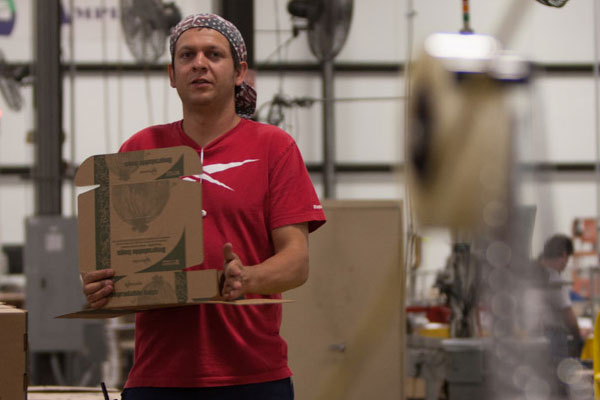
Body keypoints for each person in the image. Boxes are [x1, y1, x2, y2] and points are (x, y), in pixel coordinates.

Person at [81, 13, 326, 400]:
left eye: (214, 54)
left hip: (253, 377)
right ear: (171, 73)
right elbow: (117, 265)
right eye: (186, 55)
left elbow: (297, 261)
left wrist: (247, 278)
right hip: (157, 378)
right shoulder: (140, 149)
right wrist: (103, 288)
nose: (199, 63)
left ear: (239, 71)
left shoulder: (273, 147)